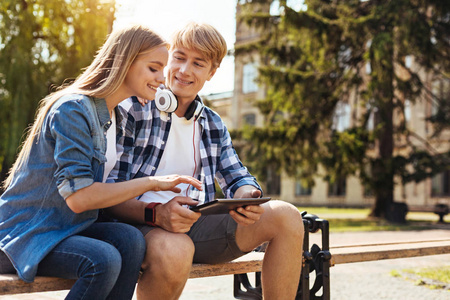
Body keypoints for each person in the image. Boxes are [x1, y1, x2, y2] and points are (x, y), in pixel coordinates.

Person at [0, 24, 202, 300]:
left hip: (66, 227)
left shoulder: (109, 114)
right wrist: (154, 182)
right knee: (102, 260)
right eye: (153, 68)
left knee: (130, 240)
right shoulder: (72, 109)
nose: (161, 79)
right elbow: (79, 197)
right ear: (126, 62)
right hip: (27, 235)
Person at [106, 22, 304, 300]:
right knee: (177, 248)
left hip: (198, 224)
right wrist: (158, 214)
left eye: (198, 63)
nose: (185, 70)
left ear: (211, 72)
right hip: (143, 225)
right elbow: (109, 192)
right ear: (167, 58)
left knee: (287, 216)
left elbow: (237, 176)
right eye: (179, 57)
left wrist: (247, 196)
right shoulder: (133, 108)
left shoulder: (212, 122)